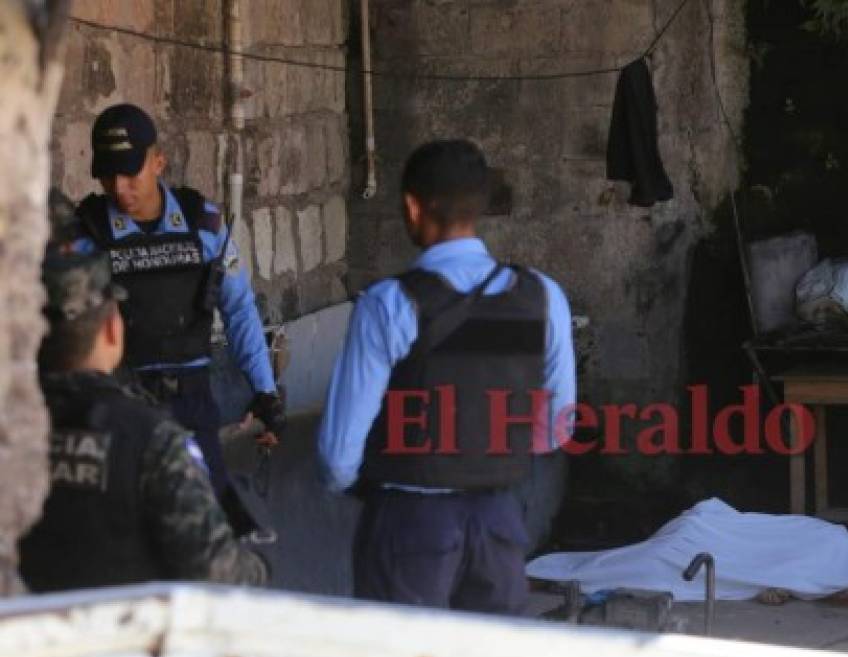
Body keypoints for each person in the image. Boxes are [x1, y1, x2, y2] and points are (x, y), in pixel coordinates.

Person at [318, 139, 576, 614]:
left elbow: (338, 456)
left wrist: (380, 487)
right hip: (498, 523)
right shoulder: (543, 297)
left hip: (408, 528)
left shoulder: (390, 304)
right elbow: (557, 426)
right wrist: (489, 458)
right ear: (479, 208)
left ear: (413, 208)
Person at [18, 193, 269, 593]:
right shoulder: (152, 441)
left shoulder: (13, 429)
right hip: (116, 645)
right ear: (113, 330)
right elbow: (217, 571)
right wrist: (258, 569)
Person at [71, 103, 284, 496]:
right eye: (107, 174)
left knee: (207, 519)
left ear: (158, 162)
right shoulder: (87, 235)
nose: (119, 187)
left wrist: (265, 392)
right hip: (118, 406)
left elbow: (238, 309)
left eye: (130, 172)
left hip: (192, 401)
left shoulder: (202, 223)